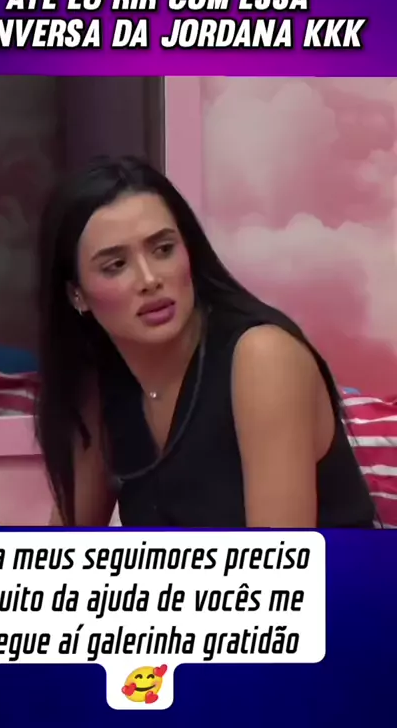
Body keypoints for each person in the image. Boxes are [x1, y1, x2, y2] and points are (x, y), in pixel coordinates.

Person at [36, 155, 377, 529]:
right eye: (116, 265)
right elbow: (61, 550)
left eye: (163, 249)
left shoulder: (262, 358)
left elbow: (279, 561)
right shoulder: (98, 384)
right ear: (77, 294)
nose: (150, 279)